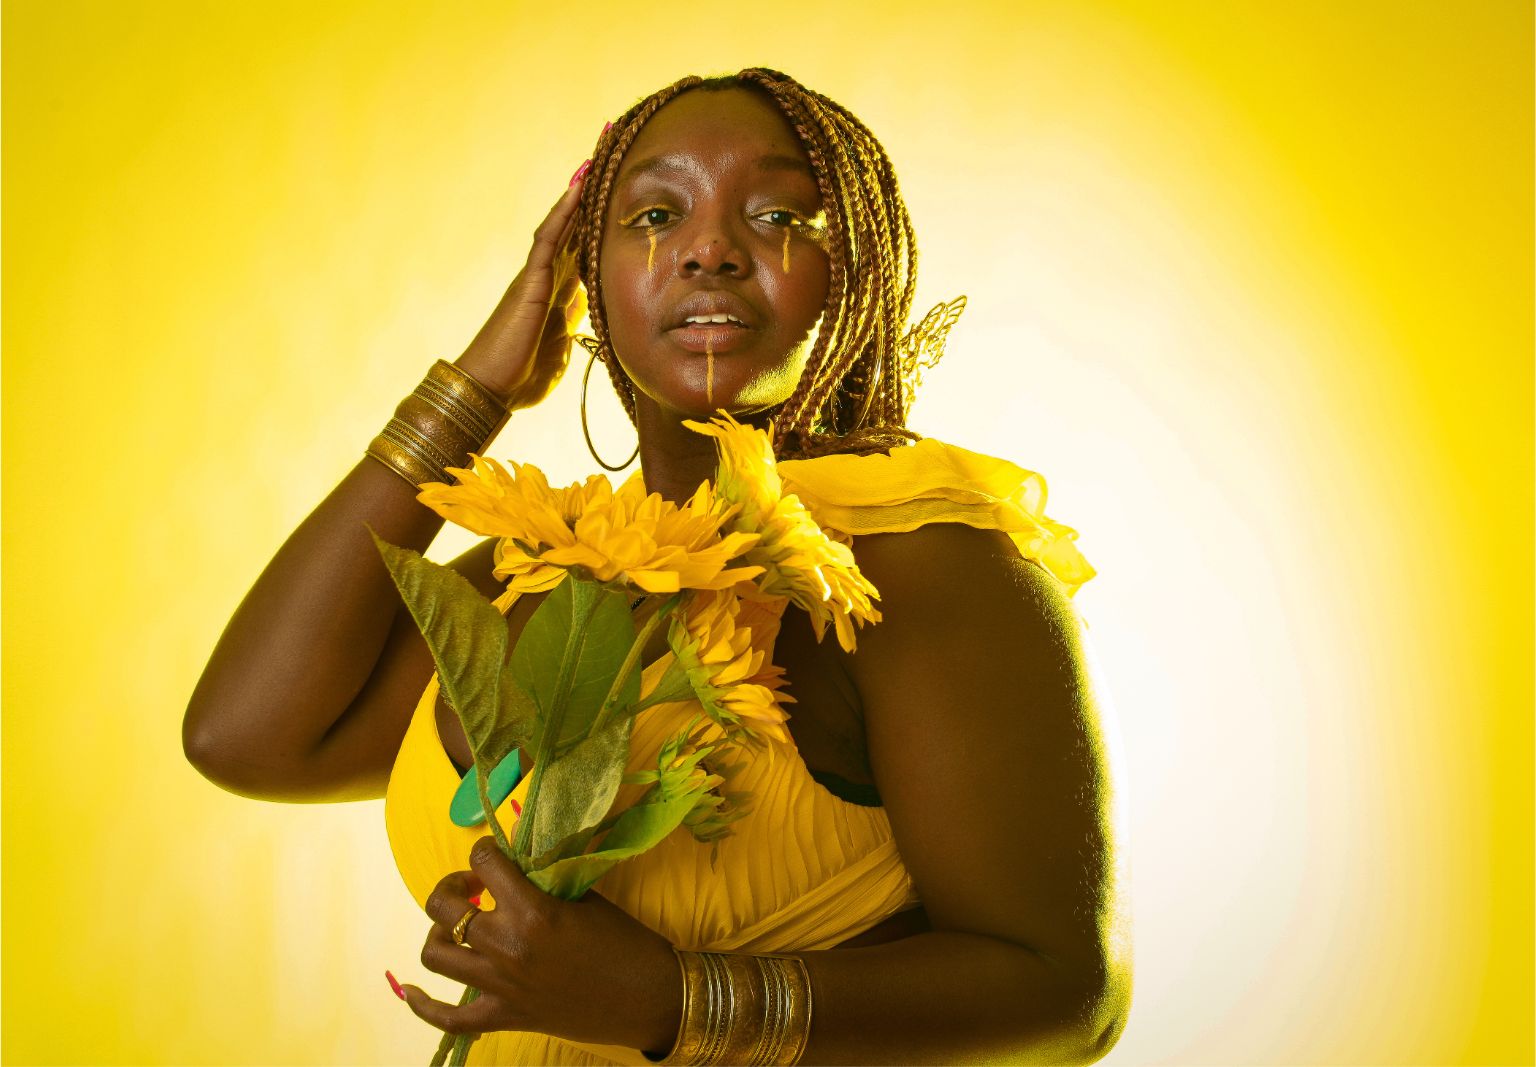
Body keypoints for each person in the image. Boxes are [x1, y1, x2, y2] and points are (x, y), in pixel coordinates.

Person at [185, 68, 1131, 1066]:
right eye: (653, 215)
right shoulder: (543, 564)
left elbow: (1068, 995)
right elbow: (247, 737)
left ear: (858, 268)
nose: (710, 248)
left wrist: (668, 999)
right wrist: (475, 390)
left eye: (778, 216)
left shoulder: (922, 565)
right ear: (587, 281)